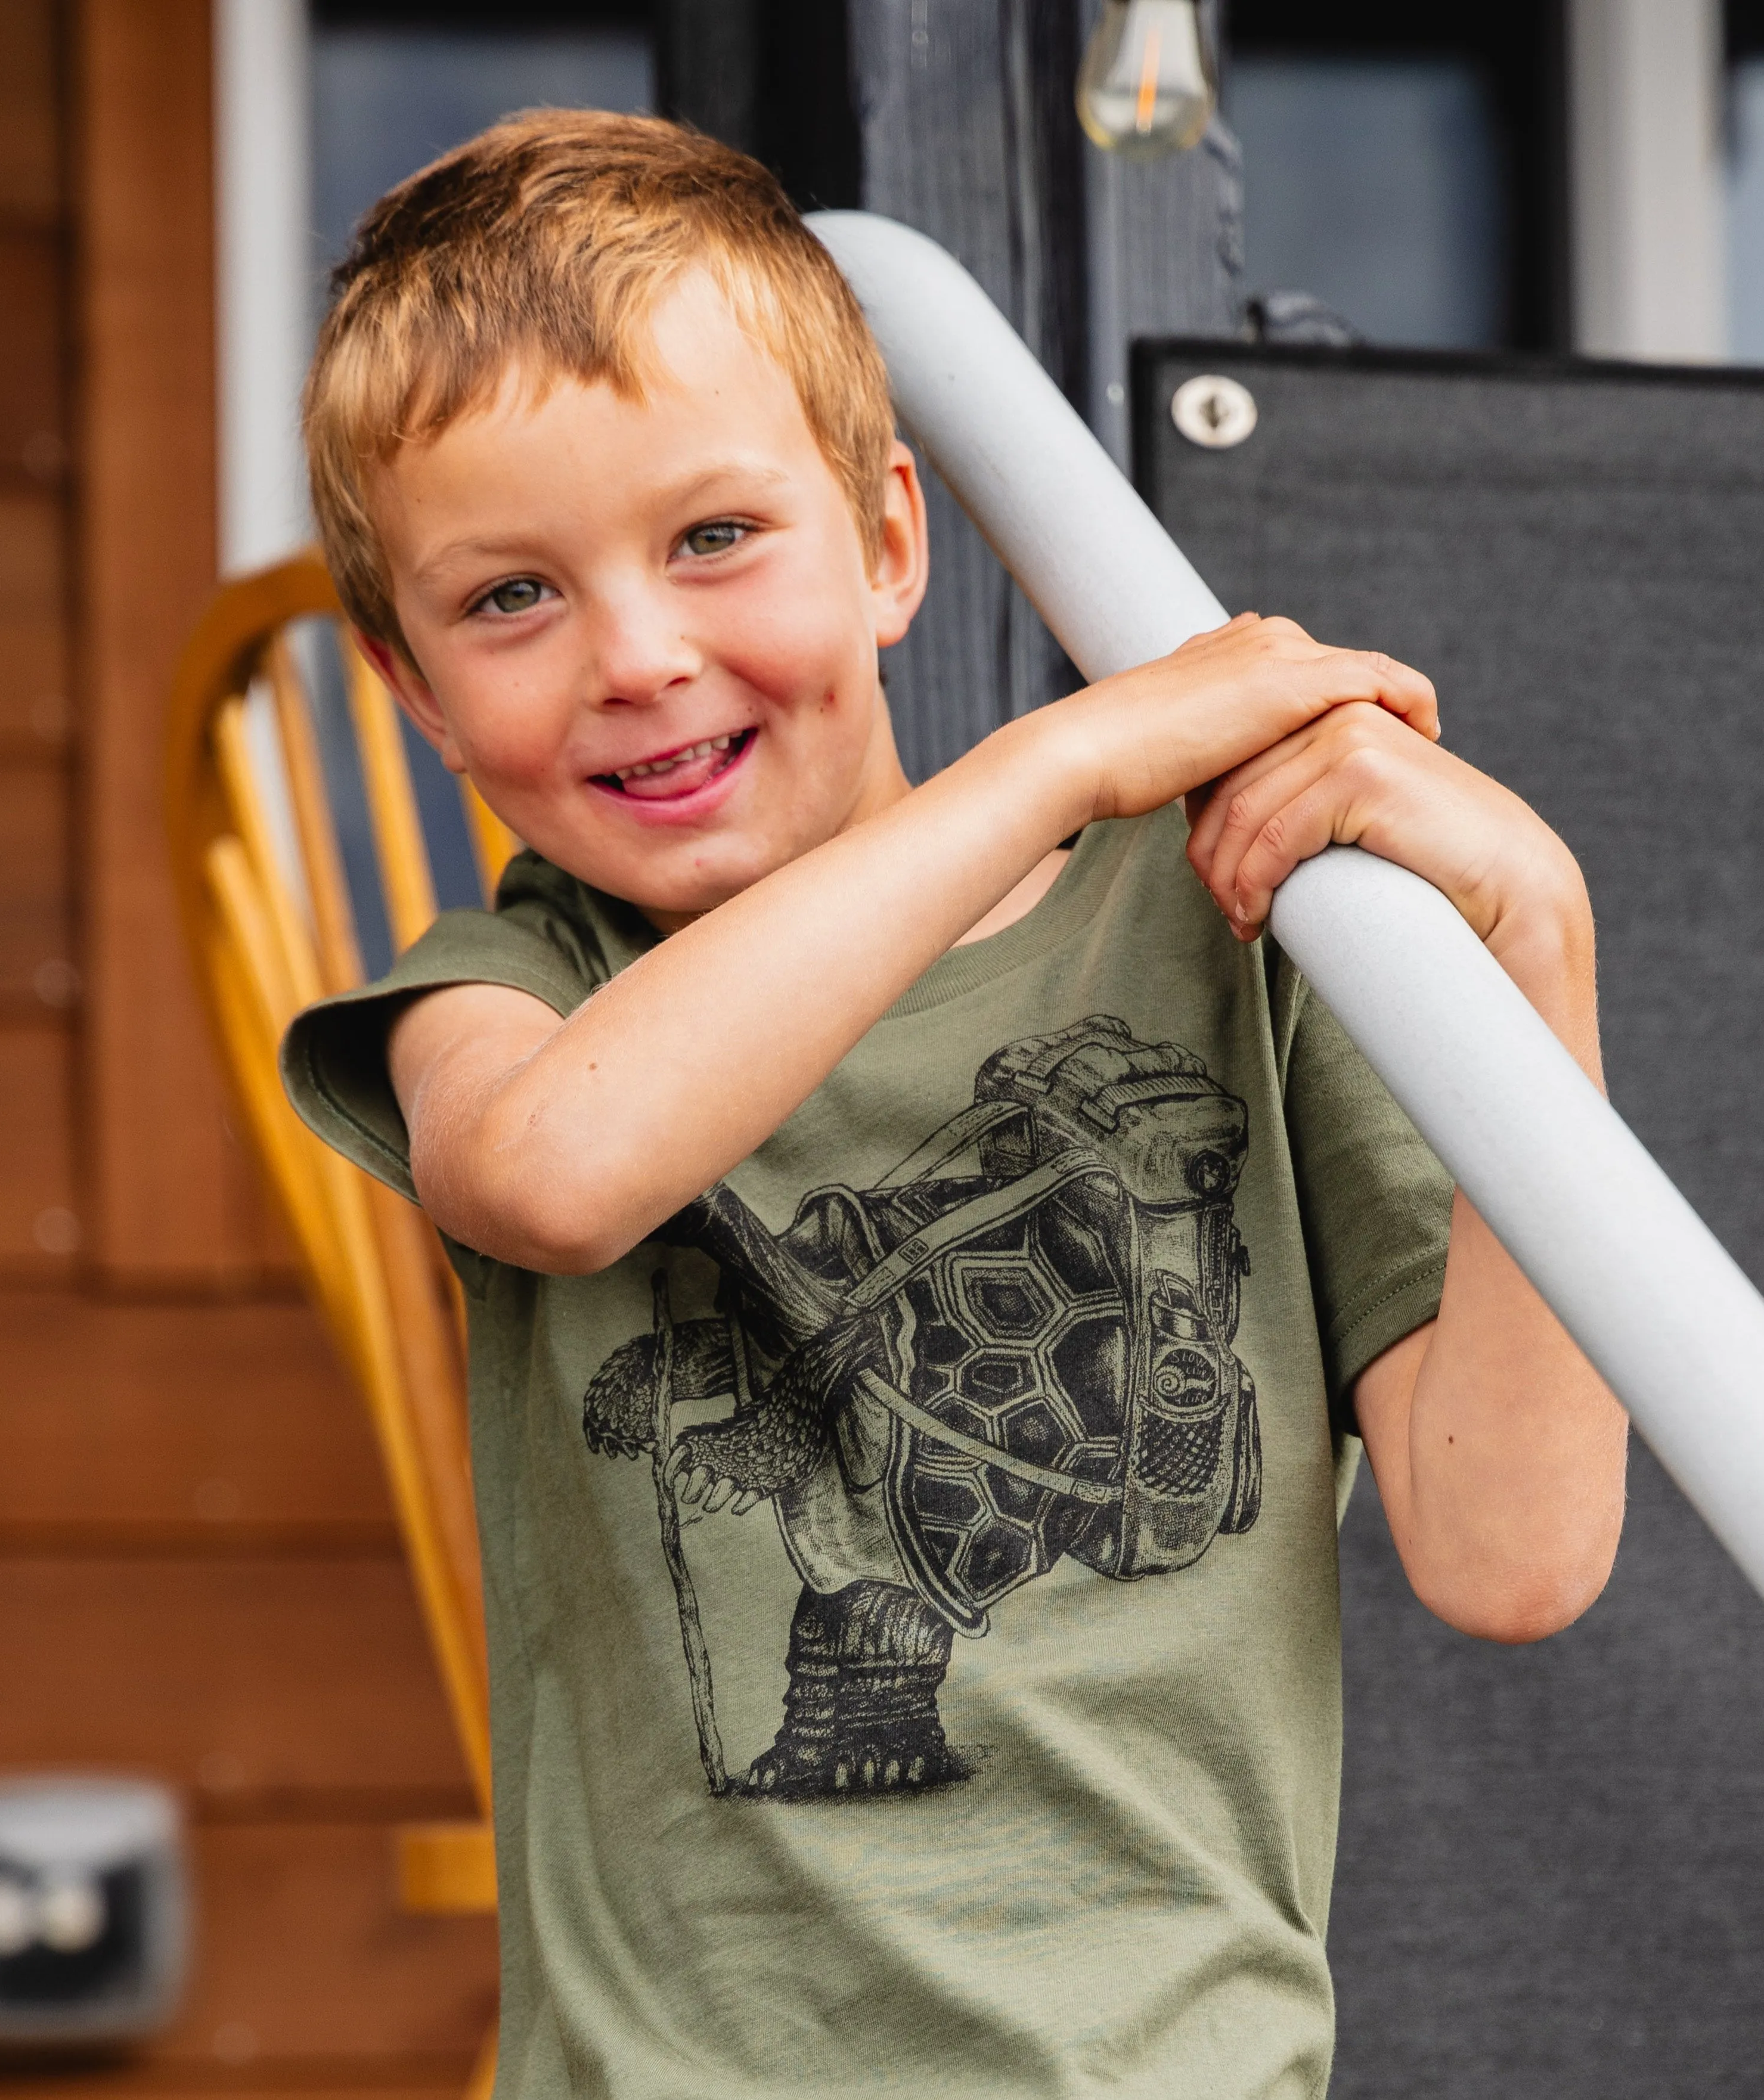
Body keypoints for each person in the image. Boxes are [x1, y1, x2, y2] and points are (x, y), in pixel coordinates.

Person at [283, 110, 1626, 2098]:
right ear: (411, 690)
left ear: (889, 540)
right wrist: (1051, 764)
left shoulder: (1231, 933)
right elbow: (559, 1173)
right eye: (510, 600)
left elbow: (1510, 1559)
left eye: (714, 536)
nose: (637, 657)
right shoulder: (516, 993)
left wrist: (1538, 949)